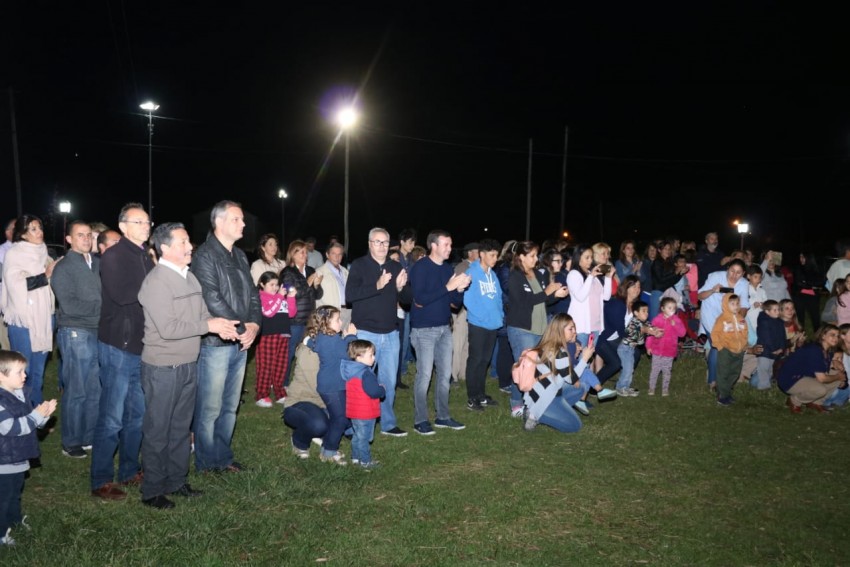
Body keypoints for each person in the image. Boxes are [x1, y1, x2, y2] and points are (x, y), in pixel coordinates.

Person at [137, 222, 239, 509]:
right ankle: (153, 490)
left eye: (188, 241)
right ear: (165, 248)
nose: (190, 246)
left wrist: (221, 327)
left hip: (187, 363)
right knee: (159, 429)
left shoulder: (190, 278)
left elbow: (202, 313)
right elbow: (168, 328)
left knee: (181, 427)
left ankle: (176, 480)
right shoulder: (156, 282)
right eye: (182, 242)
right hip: (162, 367)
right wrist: (208, 324)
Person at [191, 200, 262, 474]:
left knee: (230, 406)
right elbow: (211, 297)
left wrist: (255, 324)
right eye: (237, 219)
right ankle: (206, 461)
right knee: (210, 407)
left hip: (241, 341)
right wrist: (245, 329)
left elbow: (253, 295)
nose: (243, 224)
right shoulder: (205, 255)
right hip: (217, 343)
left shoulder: (241, 256)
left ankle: (222, 456)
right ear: (219, 222)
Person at [90, 203, 153, 500]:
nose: (146, 225)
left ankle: (129, 470)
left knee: (137, 414)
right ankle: (101, 478)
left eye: (147, 221)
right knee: (112, 416)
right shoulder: (115, 255)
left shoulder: (144, 256)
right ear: (124, 226)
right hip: (118, 344)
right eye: (139, 222)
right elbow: (124, 295)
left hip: (141, 345)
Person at [346, 227, 411, 437]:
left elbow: (408, 299)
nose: (382, 246)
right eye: (377, 242)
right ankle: (357, 422)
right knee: (360, 381)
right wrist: (377, 284)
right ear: (369, 244)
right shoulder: (359, 265)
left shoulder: (395, 265)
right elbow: (350, 295)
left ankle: (387, 423)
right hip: (366, 332)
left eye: (385, 242)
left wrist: (401, 288)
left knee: (389, 382)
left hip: (390, 333)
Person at [408, 229, 471, 435]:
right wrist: (448, 286)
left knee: (444, 375)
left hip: (444, 328)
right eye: (446, 245)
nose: (450, 249)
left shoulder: (446, 270)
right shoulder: (420, 268)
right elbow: (420, 299)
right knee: (425, 375)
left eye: (451, 245)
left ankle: (442, 417)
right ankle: (420, 420)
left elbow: (454, 304)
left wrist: (459, 290)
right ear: (433, 246)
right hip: (424, 330)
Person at [50, 220, 101, 458]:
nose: (86, 239)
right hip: (75, 332)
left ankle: (89, 437)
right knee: (77, 390)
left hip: (97, 331)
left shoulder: (96, 264)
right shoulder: (64, 267)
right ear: (69, 239)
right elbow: (69, 305)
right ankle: (70, 442)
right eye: (80, 235)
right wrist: (104, 309)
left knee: (94, 389)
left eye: (89, 235)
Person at [0, 350, 57, 546]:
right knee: (3, 499)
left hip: (17, 459)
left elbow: (33, 421)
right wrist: (36, 417)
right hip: (4, 461)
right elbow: (11, 428)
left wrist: (44, 414)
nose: (25, 375)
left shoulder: (20, 394)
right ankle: (1, 534)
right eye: (19, 372)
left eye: (24, 371)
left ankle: (14, 522)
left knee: (15, 494)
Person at [506, 241, 569, 417]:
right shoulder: (515, 277)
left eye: (536, 255)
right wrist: (548, 291)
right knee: (523, 367)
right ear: (521, 257)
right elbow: (523, 302)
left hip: (540, 328)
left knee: (537, 369)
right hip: (521, 329)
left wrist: (555, 295)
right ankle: (517, 404)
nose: (536, 259)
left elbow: (543, 301)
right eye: (532, 256)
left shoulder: (537, 274)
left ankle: (533, 401)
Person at [0, 215, 56, 406]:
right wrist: (44, 276)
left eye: (39, 227)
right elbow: (15, 284)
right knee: (24, 370)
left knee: (38, 372)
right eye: (32, 229)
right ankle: (19, 412)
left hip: (45, 317)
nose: (39, 232)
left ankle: (35, 414)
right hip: (23, 321)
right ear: (23, 234)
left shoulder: (44, 251)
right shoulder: (14, 254)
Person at [308, 305, 358, 464]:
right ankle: (329, 451)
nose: (341, 321)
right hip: (333, 386)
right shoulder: (333, 340)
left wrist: (307, 341)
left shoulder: (322, 337)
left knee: (340, 416)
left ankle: (327, 446)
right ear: (326, 323)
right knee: (341, 419)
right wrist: (351, 336)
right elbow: (350, 354)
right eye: (337, 319)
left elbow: (312, 343)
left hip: (330, 384)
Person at [462, 238, 503, 411]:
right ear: (482, 254)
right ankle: (472, 397)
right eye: (492, 255)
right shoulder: (472, 272)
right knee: (475, 360)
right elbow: (468, 300)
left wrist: (499, 316)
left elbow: (498, 297)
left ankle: (481, 394)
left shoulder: (492, 274)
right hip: (478, 324)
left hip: (493, 324)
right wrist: (484, 317)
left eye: (496, 255)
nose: (495, 259)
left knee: (485, 360)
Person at [698, 259, 750, 390]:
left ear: (743, 273)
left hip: (729, 319)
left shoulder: (744, 284)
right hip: (711, 316)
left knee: (727, 348)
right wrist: (713, 290)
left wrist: (738, 320)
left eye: (738, 273)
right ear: (727, 269)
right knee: (717, 346)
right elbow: (700, 296)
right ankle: (713, 381)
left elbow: (744, 305)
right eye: (732, 271)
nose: (734, 275)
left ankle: (723, 378)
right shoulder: (715, 276)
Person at [280, 240, 324, 383]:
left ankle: (304, 381)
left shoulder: (310, 270)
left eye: (306, 252)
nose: (305, 255)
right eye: (302, 252)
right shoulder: (287, 272)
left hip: (309, 319)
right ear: (293, 254)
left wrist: (316, 286)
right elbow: (291, 294)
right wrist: (309, 283)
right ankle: (283, 382)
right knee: (289, 352)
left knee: (307, 351)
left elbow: (318, 295)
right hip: (294, 319)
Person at [777, 324, 846, 413]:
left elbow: (823, 368)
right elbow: (822, 378)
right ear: (823, 336)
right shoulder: (814, 350)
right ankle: (794, 401)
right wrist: (838, 377)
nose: (836, 338)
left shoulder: (828, 351)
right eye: (832, 335)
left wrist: (835, 364)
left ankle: (816, 403)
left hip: (806, 377)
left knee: (837, 375)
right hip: (790, 379)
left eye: (838, 336)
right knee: (821, 388)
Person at [282, 332, 329, 460]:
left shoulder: (331, 348)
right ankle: (299, 442)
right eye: (337, 320)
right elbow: (317, 385)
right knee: (319, 425)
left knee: (345, 421)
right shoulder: (309, 351)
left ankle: (318, 432)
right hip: (301, 401)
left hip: (322, 401)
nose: (341, 323)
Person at [254, 271, 297, 407]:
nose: (275, 287)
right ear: (262, 284)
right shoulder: (261, 297)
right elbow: (268, 312)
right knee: (266, 366)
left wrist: (291, 298)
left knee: (280, 366)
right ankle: (262, 395)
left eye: (277, 284)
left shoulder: (280, 297)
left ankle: (279, 392)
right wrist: (279, 297)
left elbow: (291, 313)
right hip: (268, 335)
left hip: (283, 335)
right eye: (271, 284)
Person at [341, 339, 385, 469]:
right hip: (365, 412)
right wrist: (382, 389)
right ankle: (365, 462)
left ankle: (355, 458)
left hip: (354, 411)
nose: (374, 358)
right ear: (359, 357)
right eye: (371, 355)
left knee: (357, 436)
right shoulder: (366, 374)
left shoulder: (350, 370)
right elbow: (373, 391)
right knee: (364, 438)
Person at [710, 293, 749, 406]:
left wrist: (744, 344)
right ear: (726, 305)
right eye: (732, 304)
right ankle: (722, 396)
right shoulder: (722, 319)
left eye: (737, 303)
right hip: (726, 350)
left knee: (735, 373)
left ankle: (726, 392)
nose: (736, 306)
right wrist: (720, 346)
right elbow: (715, 333)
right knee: (724, 372)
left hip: (739, 351)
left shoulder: (741, 319)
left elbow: (745, 332)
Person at [645, 297, 687, 396]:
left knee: (667, 371)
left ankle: (665, 389)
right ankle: (651, 388)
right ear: (663, 308)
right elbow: (651, 334)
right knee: (655, 370)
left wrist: (675, 325)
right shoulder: (656, 320)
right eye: (669, 308)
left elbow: (682, 333)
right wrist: (648, 346)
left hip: (669, 351)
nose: (672, 310)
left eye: (674, 308)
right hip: (657, 350)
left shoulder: (677, 320)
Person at [451, 242, 478, 385]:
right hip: (461, 311)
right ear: (470, 253)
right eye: (477, 251)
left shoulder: (474, 267)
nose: (480, 254)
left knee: (467, 343)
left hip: (470, 311)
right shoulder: (463, 267)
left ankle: (463, 373)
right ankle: (453, 375)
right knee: (458, 343)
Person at [615, 300, 654, 397]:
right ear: (636, 313)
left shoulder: (645, 323)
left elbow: (651, 328)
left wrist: (656, 331)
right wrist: (645, 330)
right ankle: (620, 387)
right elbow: (631, 330)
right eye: (644, 311)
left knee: (630, 369)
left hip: (631, 349)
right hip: (625, 349)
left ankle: (626, 387)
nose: (647, 313)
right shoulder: (633, 322)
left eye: (647, 311)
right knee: (627, 369)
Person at [396, 228, 417, 388]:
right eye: (410, 242)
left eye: (414, 242)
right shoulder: (395, 257)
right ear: (402, 242)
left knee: (406, 338)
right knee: (398, 339)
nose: (412, 245)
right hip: (396, 302)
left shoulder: (411, 258)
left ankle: (400, 372)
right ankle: (395, 375)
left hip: (409, 301)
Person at [315, 241, 350, 329]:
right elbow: (316, 296)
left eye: (340, 254)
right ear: (327, 255)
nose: (337, 257)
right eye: (333, 253)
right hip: (330, 314)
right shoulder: (319, 272)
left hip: (347, 312)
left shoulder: (346, 272)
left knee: (346, 339)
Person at [753, 300, 785, 390]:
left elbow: (783, 335)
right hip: (765, 350)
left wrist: (782, 347)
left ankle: (768, 382)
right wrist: (773, 349)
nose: (777, 312)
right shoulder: (764, 321)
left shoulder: (779, 321)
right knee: (763, 368)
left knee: (770, 368)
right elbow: (766, 337)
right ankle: (763, 387)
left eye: (778, 309)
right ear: (767, 312)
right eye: (774, 310)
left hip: (776, 350)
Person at [792, 252, 823, 332]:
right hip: (799, 296)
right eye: (800, 257)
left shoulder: (815, 269)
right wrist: (810, 285)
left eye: (803, 257)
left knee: (815, 317)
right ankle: (801, 337)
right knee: (800, 318)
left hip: (813, 297)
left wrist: (806, 283)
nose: (801, 259)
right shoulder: (798, 268)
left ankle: (818, 337)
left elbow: (820, 283)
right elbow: (798, 283)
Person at [822, 323, 850, 409]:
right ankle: (827, 403)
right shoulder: (838, 353)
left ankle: (836, 403)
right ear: (842, 336)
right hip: (839, 384)